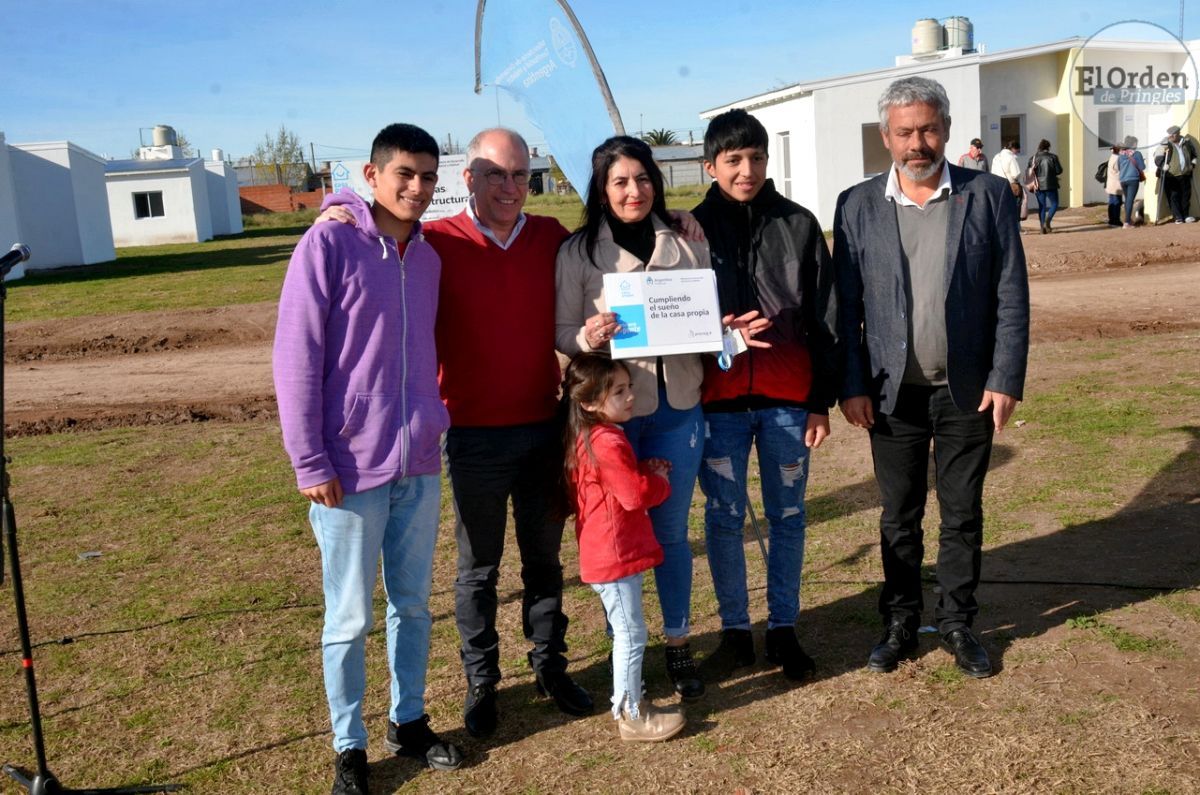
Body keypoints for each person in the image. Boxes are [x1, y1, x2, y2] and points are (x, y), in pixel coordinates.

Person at [317, 127, 593, 738]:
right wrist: (338, 205)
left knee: (545, 561)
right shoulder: (434, 242)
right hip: (471, 436)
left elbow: (609, 247)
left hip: (544, 426)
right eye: (496, 173)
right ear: (467, 178)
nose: (510, 187)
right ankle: (482, 680)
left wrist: (675, 217)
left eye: (521, 174)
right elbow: (372, 224)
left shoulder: (549, 236)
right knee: (478, 570)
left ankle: (549, 665)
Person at [273, 123, 464, 795]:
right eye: (405, 173)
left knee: (412, 603)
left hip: (417, 459)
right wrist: (310, 460)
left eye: (428, 176)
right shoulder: (328, 241)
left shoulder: (431, 258)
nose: (416, 187)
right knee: (349, 615)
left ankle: (407, 718)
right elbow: (296, 358)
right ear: (372, 174)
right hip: (348, 469)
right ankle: (349, 744)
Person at [555, 135, 767, 700]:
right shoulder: (578, 253)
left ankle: (676, 646)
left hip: (678, 410)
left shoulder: (687, 240)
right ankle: (626, 645)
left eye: (644, 179)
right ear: (601, 189)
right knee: (619, 536)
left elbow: (703, 329)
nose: (634, 191)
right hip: (613, 420)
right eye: (620, 181)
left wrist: (729, 335)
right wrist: (585, 336)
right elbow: (558, 334)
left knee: (671, 534)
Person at [834, 77, 1030, 680]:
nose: (917, 143)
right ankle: (899, 620)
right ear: (886, 137)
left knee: (962, 511)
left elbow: (1009, 294)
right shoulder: (856, 204)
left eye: (927, 129)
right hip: (892, 395)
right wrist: (852, 384)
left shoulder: (989, 194)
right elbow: (845, 308)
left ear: (944, 128)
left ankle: (957, 621)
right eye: (903, 132)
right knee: (898, 514)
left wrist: (1005, 377)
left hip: (968, 390)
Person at [689, 108, 840, 683]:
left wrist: (820, 399)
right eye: (733, 160)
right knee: (724, 518)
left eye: (755, 157)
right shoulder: (688, 230)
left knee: (789, 515)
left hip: (786, 403)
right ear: (710, 166)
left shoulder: (799, 224)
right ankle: (734, 632)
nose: (746, 169)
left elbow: (827, 316)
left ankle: (783, 628)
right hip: (717, 404)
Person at [562, 352, 687, 742]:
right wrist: (660, 481)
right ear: (589, 402)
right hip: (613, 556)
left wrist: (644, 472)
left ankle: (632, 704)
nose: (630, 396)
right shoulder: (606, 441)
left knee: (629, 631)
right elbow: (633, 495)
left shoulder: (593, 436)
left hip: (609, 552)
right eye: (619, 391)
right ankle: (631, 714)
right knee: (632, 634)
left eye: (629, 387)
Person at [1154, 125, 1197, 223]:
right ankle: (1178, 217)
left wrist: (1193, 165)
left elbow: (1194, 154)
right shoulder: (1165, 144)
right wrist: (1162, 165)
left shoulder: (1186, 142)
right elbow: (1158, 157)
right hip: (1171, 175)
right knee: (1174, 196)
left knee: (1186, 195)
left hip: (1185, 173)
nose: (1171, 136)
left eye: (1174, 134)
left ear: (1178, 134)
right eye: (1170, 134)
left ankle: (1186, 215)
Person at [1028, 139, 1063, 233]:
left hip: (1038, 185)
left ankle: (1042, 227)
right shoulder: (1053, 157)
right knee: (1055, 204)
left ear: (1039, 147)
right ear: (1048, 147)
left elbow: (1029, 171)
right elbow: (1059, 170)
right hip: (1051, 184)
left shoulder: (1033, 158)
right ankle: (1048, 220)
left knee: (1041, 206)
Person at [1117, 136, 1146, 229]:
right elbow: (1142, 167)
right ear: (1133, 144)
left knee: (1127, 200)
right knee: (1130, 200)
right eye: (1136, 143)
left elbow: (1118, 167)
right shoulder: (1137, 154)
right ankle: (1127, 222)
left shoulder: (1121, 154)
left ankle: (1128, 219)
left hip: (1122, 180)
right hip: (1133, 179)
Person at [990, 139, 1022, 209]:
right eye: (1017, 151)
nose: (1017, 153)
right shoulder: (1011, 157)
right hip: (1010, 186)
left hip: (997, 185)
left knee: (1001, 208)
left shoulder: (996, 157)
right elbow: (1015, 174)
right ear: (1013, 149)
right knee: (1014, 208)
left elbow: (992, 172)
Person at [1105, 145, 1124, 228]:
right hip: (1116, 184)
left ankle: (1111, 219)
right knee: (1116, 203)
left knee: (1112, 202)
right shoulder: (1117, 159)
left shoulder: (1112, 157)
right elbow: (1119, 169)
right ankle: (1115, 220)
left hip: (1111, 184)